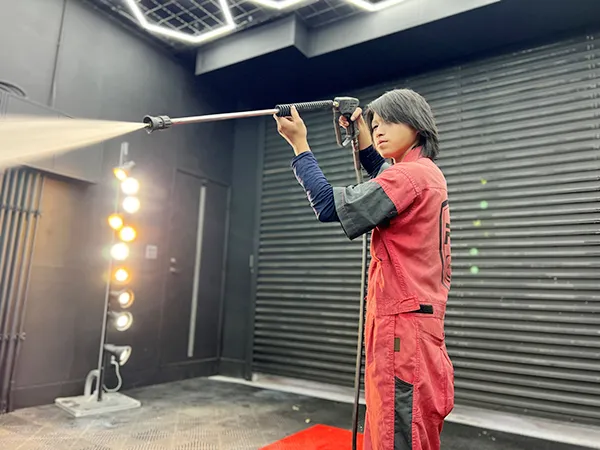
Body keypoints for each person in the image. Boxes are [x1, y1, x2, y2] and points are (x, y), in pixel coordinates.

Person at [273, 88, 455, 450]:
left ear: (417, 125)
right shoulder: (424, 174)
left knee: (394, 435)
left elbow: (327, 205)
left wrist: (299, 144)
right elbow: (384, 175)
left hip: (402, 328)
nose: (379, 129)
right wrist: (362, 138)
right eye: (375, 123)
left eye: (389, 121)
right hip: (417, 327)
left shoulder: (409, 177)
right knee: (407, 427)